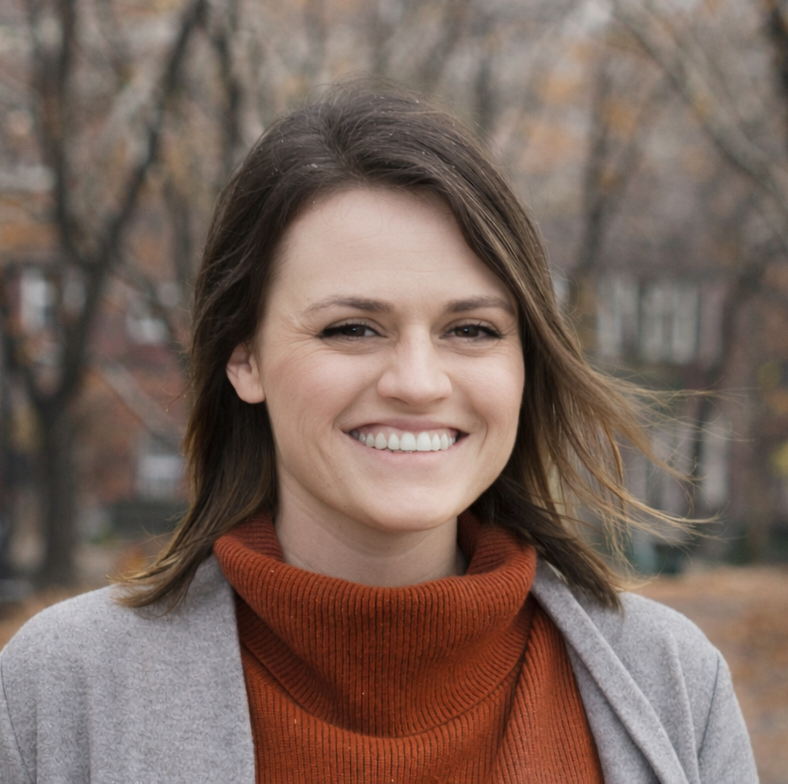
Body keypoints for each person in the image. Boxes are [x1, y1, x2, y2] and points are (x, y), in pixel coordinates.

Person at [0, 82, 757, 784]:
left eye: (471, 328)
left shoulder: (672, 683)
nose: (419, 382)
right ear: (244, 358)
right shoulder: (62, 689)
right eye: (353, 327)